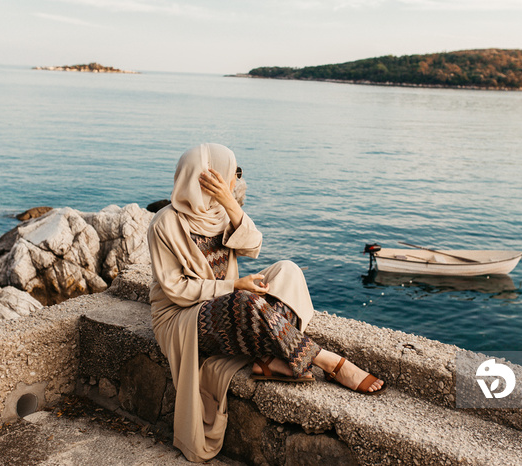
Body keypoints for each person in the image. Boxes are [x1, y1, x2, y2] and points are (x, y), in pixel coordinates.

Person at [147, 143, 385, 462]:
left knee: (287, 270)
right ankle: (328, 361)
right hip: (182, 319)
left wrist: (230, 203)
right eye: (234, 172)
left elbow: (254, 246)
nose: (236, 178)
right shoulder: (164, 224)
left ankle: (267, 357)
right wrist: (233, 285)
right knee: (247, 303)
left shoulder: (219, 212)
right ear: (205, 179)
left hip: (224, 302)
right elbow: (176, 290)